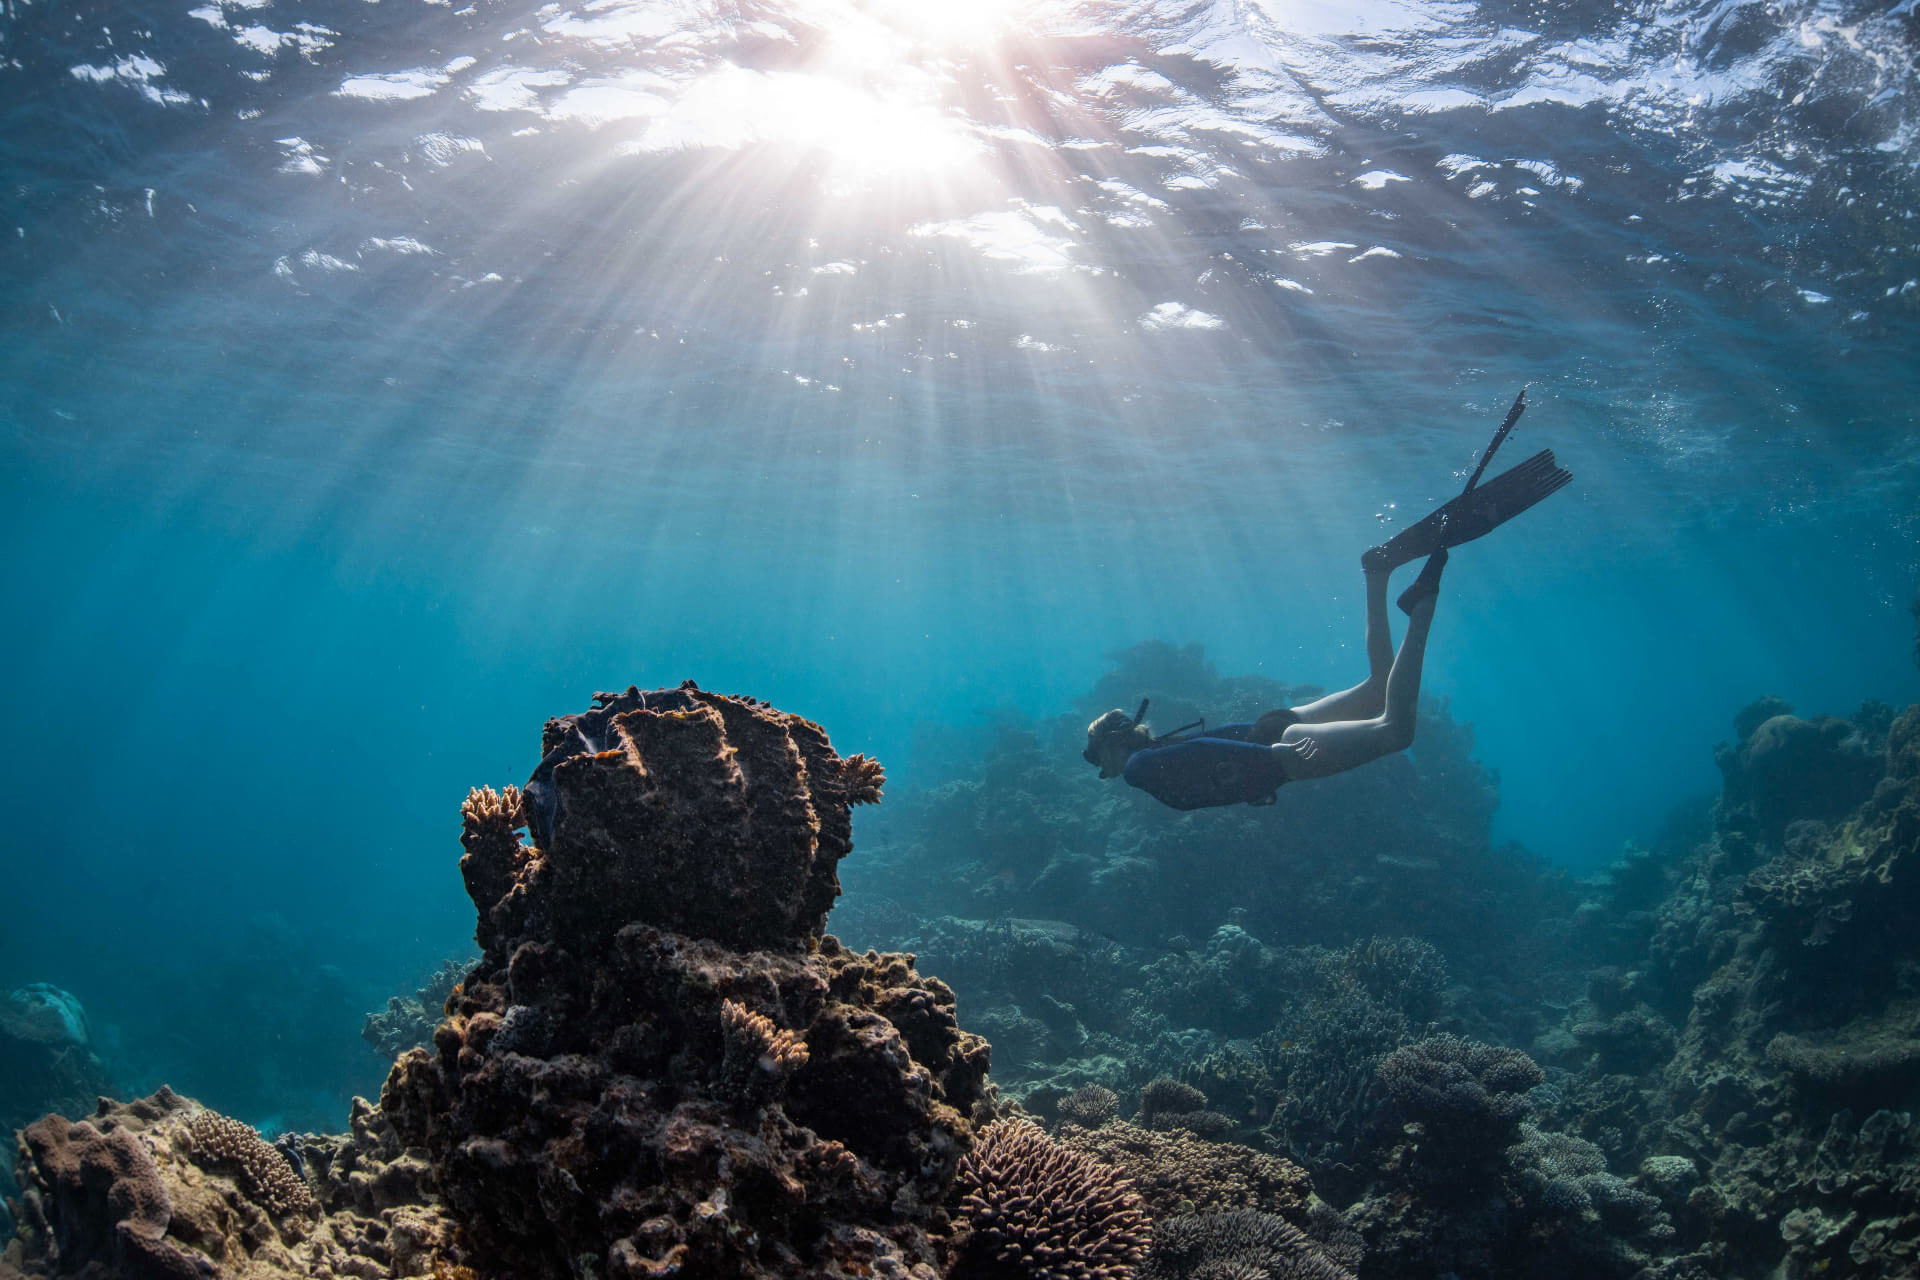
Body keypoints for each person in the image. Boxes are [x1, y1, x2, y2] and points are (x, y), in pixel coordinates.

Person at [1084, 395, 1570, 810]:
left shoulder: (1139, 768)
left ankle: (1422, 606)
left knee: (1396, 731)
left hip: (1284, 753)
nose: (1098, 767)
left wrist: (1270, 759)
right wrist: (1265, 747)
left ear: (1110, 747)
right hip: (1273, 732)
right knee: (1380, 685)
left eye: (1093, 756)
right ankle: (1376, 574)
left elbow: (1206, 757)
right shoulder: (1156, 751)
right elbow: (1211, 755)